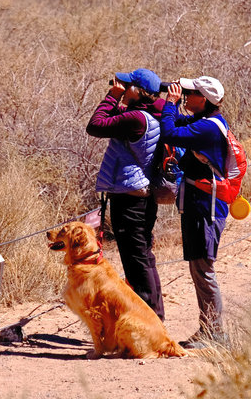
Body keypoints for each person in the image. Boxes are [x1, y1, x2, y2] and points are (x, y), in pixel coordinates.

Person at [86, 68, 166, 321]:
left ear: (138, 91)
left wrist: (112, 95)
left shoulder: (136, 119)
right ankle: (154, 317)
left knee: (136, 260)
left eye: (128, 84)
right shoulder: (153, 113)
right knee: (143, 256)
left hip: (130, 197)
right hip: (143, 194)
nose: (123, 86)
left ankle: (147, 320)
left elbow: (95, 125)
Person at [160, 76, 230, 348]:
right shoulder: (207, 123)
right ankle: (210, 330)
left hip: (206, 208)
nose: (187, 96)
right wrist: (169, 104)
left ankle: (214, 333)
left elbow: (168, 132)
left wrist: (171, 103)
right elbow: (174, 123)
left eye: (192, 93)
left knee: (203, 270)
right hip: (200, 205)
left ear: (205, 99)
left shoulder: (209, 129)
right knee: (199, 269)